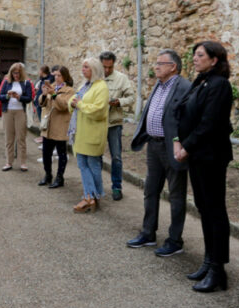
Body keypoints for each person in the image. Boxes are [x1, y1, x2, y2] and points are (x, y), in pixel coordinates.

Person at [175, 41, 235, 293]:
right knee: (204, 208)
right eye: (194, 55)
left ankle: (218, 270)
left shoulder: (220, 85)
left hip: (211, 156)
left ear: (214, 60)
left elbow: (209, 122)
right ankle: (209, 261)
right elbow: (184, 114)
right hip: (197, 156)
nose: (195, 59)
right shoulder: (201, 82)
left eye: (200, 55)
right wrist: (179, 140)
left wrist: (186, 146)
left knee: (214, 211)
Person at [127, 49, 192, 258]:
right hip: (154, 146)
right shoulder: (159, 84)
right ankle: (148, 233)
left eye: (160, 63)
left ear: (173, 66)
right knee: (150, 190)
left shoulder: (184, 87)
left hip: (172, 147)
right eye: (156, 63)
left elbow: (188, 119)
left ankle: (175, 240)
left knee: (176, 195)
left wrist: (180, 144)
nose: (156, 66)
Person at [68, 57, 109, 212]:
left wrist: (78, 104)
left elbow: (98, 110)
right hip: (81, 132)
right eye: (83, 66)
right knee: (84, 165)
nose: (83, 69)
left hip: (92, 133)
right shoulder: (85, 85)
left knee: (91, 166)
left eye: (86, 67)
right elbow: (74, 97)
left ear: (94, 69)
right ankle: (94, 196)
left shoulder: (101, 87)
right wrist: (73, 103)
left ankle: (89, 197)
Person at [100, 52, 135, 201]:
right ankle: (97, 186)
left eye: (110, 67)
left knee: (116, 157)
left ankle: (116, 187)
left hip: (114, 123)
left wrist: (119, 101)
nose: (107, 70)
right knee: (95, 156)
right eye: (104, 67)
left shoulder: (122, 78)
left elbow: (131, 97)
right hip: (97, 123)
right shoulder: (94, 77)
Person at [37, 65, 74, 188]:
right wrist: (43, 94)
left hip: (60, 126)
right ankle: (48, 175)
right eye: (55, 75)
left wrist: (53, 95)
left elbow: (64, 106)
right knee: (46, 153)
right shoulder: (51, 87)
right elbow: (41, 103)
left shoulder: (69, 91)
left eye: (59, 75)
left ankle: (60, 177)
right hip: (48, 125)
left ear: (65, 76)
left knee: (61, 153)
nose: (56, 78)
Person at [0, 63, 33, 171]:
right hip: (8, 111)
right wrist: (8, 96)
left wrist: (19, 97)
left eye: (17, 73)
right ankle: (9, 162)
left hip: (20, 111)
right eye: (14, 73)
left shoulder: (26, 82)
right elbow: (0, 96)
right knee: (9, 138)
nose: (15, 75)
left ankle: (22, 162)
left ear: (21, 73)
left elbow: (29, 98)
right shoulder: (7, 81)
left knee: (21, 138)